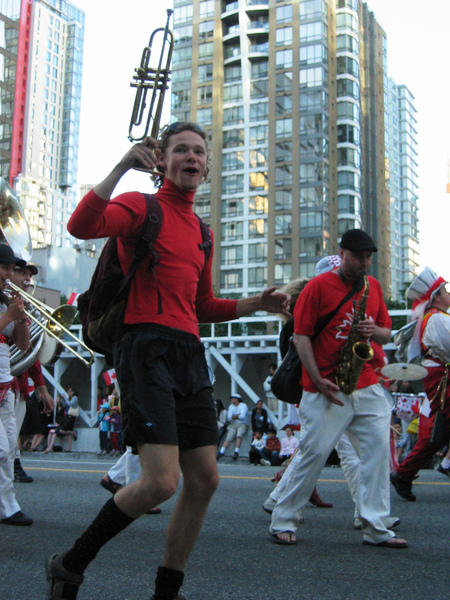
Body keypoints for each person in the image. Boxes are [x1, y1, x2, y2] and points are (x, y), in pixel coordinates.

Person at [46, 122, 290, 600]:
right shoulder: (143, 206)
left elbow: (201, 308)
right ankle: (71, 563)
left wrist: (255, 306)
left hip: (187, 352)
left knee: (205, 479)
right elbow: (81, 226)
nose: (192, 158)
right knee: (161, 481)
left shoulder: (202, 231)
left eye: (199, 152)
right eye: (181, 150)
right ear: (163, 159)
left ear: (207, 164)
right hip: (144, 346)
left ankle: (166, 591)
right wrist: (121, 168)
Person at [269, 229, 408, 548]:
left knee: (377, 452)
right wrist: (317, 380)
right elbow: (301, 337)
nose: (365, 264)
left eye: (369, 258)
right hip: (325, 387)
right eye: (359, 258)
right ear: (342, 254)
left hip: (366, 383)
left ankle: (375, 525)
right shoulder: (318, 288)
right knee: (314, 453)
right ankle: (283, 519)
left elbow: (387, 333)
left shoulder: (372, 287)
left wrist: (375, 331)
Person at [390, 267, 450, 501]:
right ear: (436, 296)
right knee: (436, 432)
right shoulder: (435, 319)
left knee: (436, 433)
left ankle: (404, 473)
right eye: (445, 290)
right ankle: (404, 473)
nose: (448, 293)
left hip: (440, 377)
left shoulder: (437, 318)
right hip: (442, 379)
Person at [10, 262, 54, 481]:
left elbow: (30, 353)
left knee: (10, 436)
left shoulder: (26, 306)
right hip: (5, 380)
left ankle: (12, 469)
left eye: (29, 274)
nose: (27, 278)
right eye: (22, 273)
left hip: (17, 382)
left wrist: (42, 389)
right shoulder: (10, 303)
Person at [0, 245, 33, 526]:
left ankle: (8, 505)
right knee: (0, 448)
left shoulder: (6, 300)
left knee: (9, 448)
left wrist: (20, 317)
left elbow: (23, 345)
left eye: (11, 269)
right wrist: (9, 316)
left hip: (5, 382)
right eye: (5, 268)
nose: (9, 274)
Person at [44, 387, 78, 453]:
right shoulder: (69, 399)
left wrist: (64, 398)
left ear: (73, 392)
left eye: (70, 391)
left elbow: (69, 404)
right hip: (68, 417)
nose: (68, 393)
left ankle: (73, 433)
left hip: (71, 416)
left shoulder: (75, 397)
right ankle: (69, 447)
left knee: (60, 430)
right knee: (67, 430)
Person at [216, 393, 249, 461]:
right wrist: (237, 416)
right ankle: (221, 452)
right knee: (229, 437)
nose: (231, 400)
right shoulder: (231, 407)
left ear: (237, 399)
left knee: (239, 435)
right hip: (233, 425)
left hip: (242, 424)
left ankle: (236, 452)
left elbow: (242, 417)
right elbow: (229, 418)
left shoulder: (243, 406)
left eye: (233, 398)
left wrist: (234, 416)